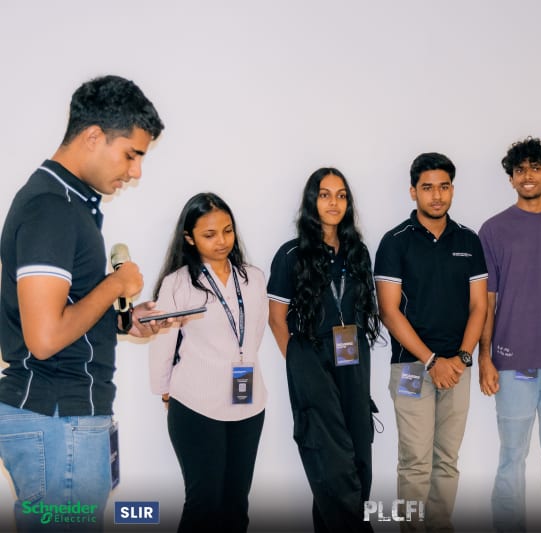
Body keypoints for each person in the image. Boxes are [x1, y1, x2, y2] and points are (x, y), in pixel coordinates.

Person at [0, 75, 164, 532]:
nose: (136, 172)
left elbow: (58, 315)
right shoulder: (52, 207)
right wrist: (115, 286)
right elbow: (44, 338)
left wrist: (121, 322)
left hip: (62, 418)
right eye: (131, 154)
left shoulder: (65, 202)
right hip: (57, 418)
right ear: (93, 136)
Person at [374, 152, 488, 533]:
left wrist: (462, 359)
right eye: (427, 188)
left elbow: (479, 306)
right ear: (413, 192)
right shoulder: (395, 243)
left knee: (447, 461)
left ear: (452, 189)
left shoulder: (469, 241)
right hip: (411, 367)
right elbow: (389, 312)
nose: (436, 196)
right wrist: (431, 361)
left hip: (457, 368)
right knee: (415, 464)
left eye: (444, 187)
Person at [478, 137, 541, 532]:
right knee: (511, 458)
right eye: (520, 169)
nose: (527, 176)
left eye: (536, 168)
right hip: (511, 362)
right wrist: (485, 357)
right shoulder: (493, 230)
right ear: (511, 178)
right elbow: (486, 302)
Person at [267, 168, 380, 533]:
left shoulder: (357, 252)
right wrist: (300, 366)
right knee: (331, 459)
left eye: (341, 195)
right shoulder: (291, 254)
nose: (334, 203)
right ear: (312, 201)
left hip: (353, 357)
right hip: (311, 358)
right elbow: (276, 319)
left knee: (359, 454)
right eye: (325, 194)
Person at [149, 192, 268, 532]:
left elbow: (254, 333)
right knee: (204, 505)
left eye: (228, 231)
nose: (222, 241)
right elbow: (162, 343)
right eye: (209, 234)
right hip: (195, 405)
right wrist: (165, 391)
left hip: (249, 405)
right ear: (189, 238)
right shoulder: (178, 284)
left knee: (236, 505)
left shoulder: (254, 278)